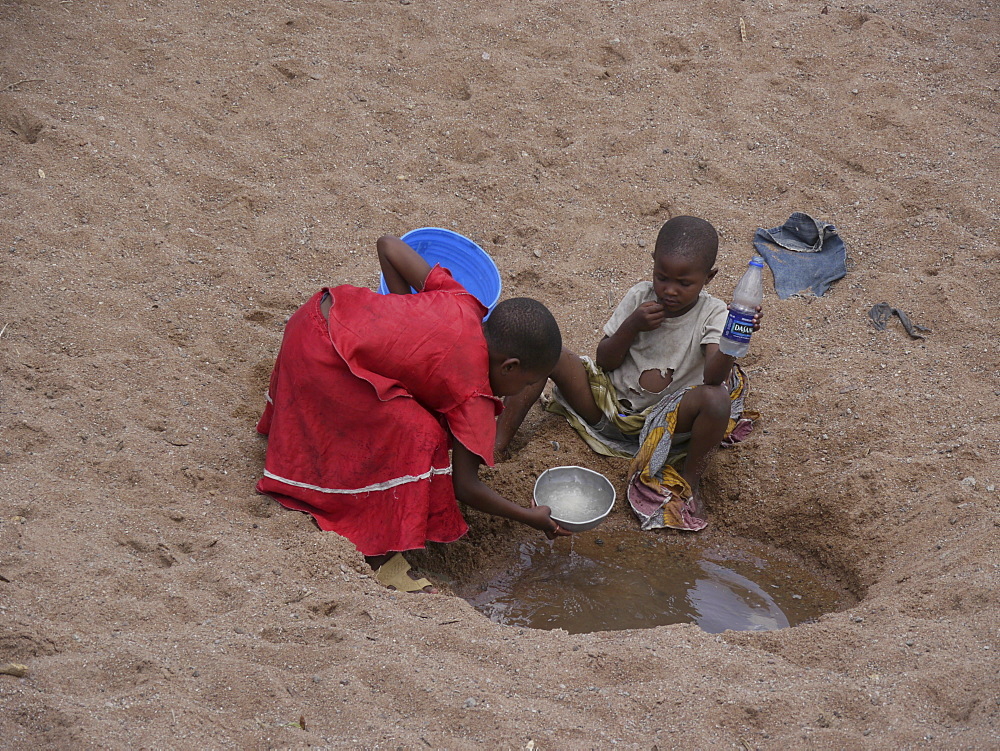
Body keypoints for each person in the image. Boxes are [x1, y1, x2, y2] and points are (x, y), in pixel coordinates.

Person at [256, 235, 570, 593]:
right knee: (421, 434)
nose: (516, 393)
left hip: (314, 316)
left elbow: (388, 245)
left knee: (413, 407)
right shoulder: (474, 389)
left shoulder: (463, 300)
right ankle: (377, 554)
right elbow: (466, 487)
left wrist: (410, 323)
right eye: (525, 383)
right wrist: (528, 516)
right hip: (322, 362)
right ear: (510, 367)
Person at [495, 216, 761, 531]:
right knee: (547, 355)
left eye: (684, 283)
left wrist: (733, 340)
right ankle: (498, 444)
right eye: (662, 277)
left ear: (708, 278)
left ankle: (689, 484)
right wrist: (631, 325)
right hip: (610, 407)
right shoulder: (640, 297)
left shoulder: (714, 313)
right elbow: (604, 361)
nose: (670, 290)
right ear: (653, 266)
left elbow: (714, 378)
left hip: (665, 425)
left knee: (717, 400)